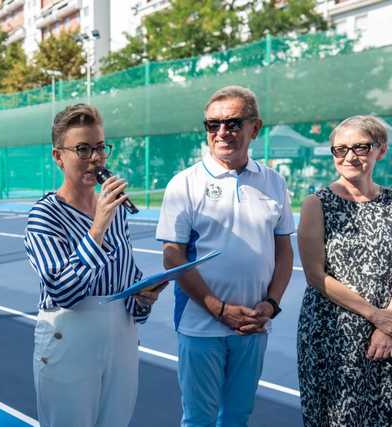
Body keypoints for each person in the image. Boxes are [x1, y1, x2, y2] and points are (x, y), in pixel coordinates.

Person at [155, 86, 295, 426]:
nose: (221, 132)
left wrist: (271, 304)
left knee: (237, 416)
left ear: (255, 128)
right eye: (212, 124)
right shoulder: (184, 184)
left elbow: (284, 251)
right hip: (200, 325)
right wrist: (217, 308)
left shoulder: (274, 182)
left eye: (232, 123)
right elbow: (172, 256)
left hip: (253, 325)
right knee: (199, 418)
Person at [24, 103, 165, 427]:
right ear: (58, 157)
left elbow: (126, 277)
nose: (95, 158)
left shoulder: (113, 211)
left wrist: (143, 296)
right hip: (69, 339)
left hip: (121, 338)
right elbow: (63, 291)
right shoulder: (44, 215)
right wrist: (98, 227)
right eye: (83, 149)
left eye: (100, 148)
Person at [297, 115, 392, 426]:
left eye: (360, 147)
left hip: (387, 334)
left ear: (381, 150)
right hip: (330, 336)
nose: (349, 156)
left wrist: (386, 324)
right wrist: (376, 315)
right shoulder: (316, 204)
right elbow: (315, 274)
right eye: (340, 150)